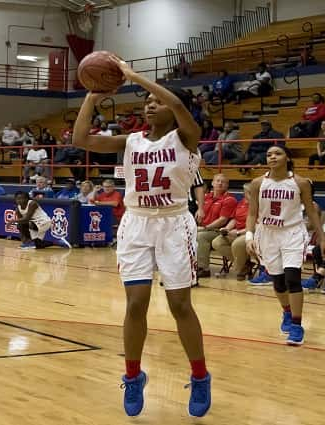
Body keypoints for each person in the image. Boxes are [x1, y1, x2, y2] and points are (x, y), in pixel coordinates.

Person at [72, 56, 211, 417]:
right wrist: (93, 95)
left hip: (174, 224)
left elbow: (180, 104)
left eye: (156, 101)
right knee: (136, 304)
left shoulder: (186, 138)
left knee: (180, 305)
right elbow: (80, 138)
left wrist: (136, 77)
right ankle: (133, 376)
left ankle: (199, 375)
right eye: (146, 102)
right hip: (136, 223)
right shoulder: (131, 140)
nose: (150, 105)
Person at [245, 145, 325, 345]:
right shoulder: (257, 183)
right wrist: (249, 236)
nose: (272, 157)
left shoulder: (300, 183)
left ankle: (297, 326)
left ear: (287, 158)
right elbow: (252, 213)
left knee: (293, 278)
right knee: (279, 282)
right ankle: (287, 312)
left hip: (291, 233)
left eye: (277, 153)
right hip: (267, 234)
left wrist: (322, 238)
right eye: (269, 154)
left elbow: (311, 211)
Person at [196, 174, 238, 278]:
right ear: (212, 183)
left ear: (227, 185)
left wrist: (205, 228)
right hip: (202, 228)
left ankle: (203, 268)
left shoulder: (229, 200)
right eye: (218, 181)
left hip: (218, 231)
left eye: (223, 182)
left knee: (201, 236)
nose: (220, 183)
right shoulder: (206, 197)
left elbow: (222, 220)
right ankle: (185, 266)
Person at [211, 183, 253, 280]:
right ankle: (244, 265)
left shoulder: (258, 205)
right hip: (236, 231)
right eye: (246, 192)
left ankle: (240, 269)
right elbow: (234, 219)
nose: (246, 194)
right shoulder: (242, 202)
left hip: (249, 233)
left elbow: (255, 226)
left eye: (249, 192)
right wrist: (227, 229)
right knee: (217, 242)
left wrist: (238, 233)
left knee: (237, 244)